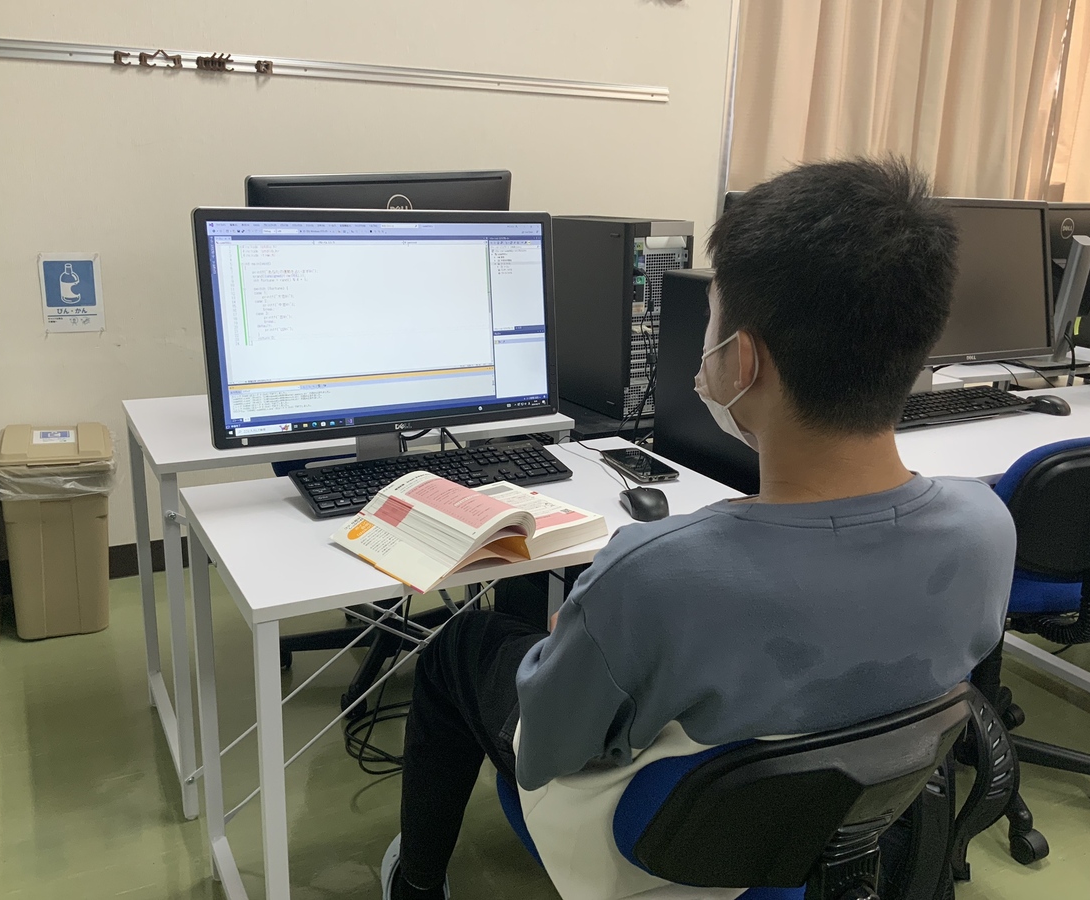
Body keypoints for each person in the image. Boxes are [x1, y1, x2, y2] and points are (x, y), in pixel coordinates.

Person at [381, 157, 1016, 900]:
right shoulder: (987, 527)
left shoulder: (654, 572)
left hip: (658, 853)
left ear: (742, 360)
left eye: (710, 321)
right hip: (838, 821)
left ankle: (415, 884)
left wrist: (580, 640)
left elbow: (546, 752)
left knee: (461, 646)